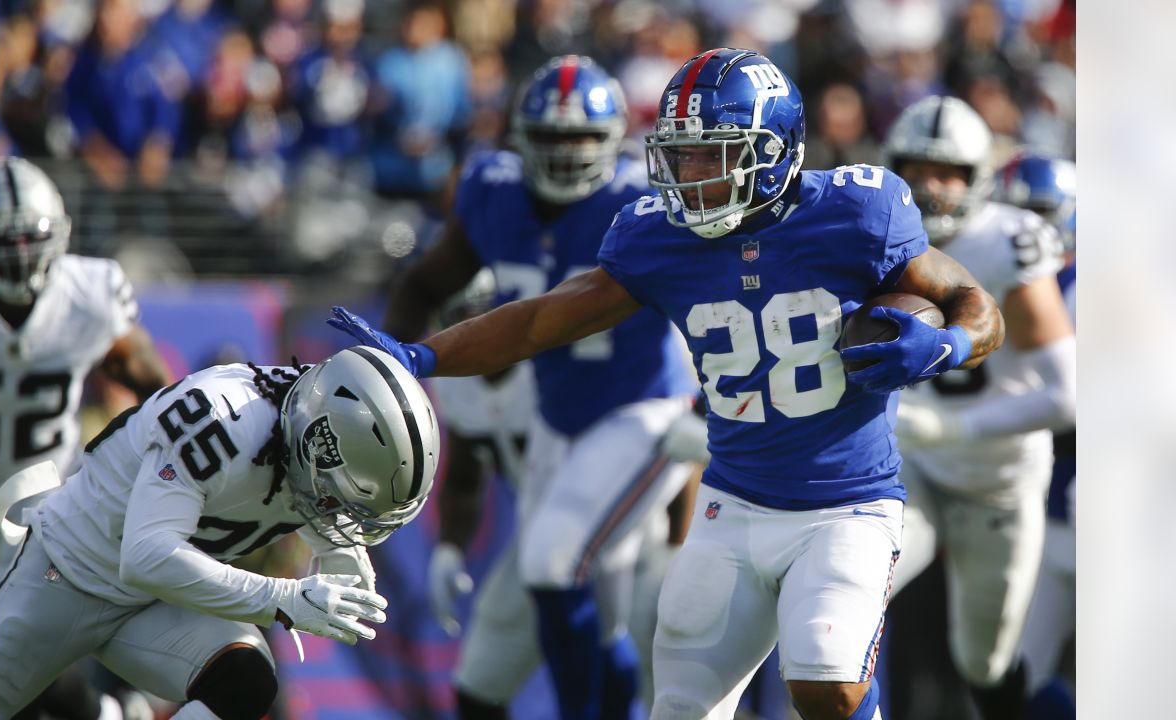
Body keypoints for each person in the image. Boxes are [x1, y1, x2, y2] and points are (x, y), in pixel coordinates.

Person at [328, 48, 1005, 720]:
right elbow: (539, 322)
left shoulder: (857, 215)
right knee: (678, 706)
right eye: (682, 156)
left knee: (826, 683)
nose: (692, 175)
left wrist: (947, 342)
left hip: (847, 505)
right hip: (733, 502)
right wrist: (421, 357)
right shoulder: (660, 238)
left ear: (774, 151)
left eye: (713, 154)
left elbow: (978, 307)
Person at [381, 55, 700, 719]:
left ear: (612, 139)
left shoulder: (639, 201)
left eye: (582, 137)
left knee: (557, 564)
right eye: (552, 138)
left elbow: (714, 301)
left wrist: (710, 412)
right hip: (560, 416)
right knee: (585, 601)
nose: (567, 153)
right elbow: (421, 285)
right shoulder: (492, 193)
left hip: (642, 408)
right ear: (521, 139)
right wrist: (384, 365)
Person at [0, 348, 440, 719]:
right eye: (343, 500)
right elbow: (146, 555)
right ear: (317, 442)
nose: (341, 514)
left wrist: (343, 552)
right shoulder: (222, 418)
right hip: (62, 571)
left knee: (245, 678)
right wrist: (284, 600)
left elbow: (308, 487)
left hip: (152, 604)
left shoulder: (309, 423)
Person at [882, 98, 1076, 720]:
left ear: (979, 179)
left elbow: (1069, 396)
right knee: (852, 590)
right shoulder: (874, 230)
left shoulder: (1007, 241)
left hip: (998, 481)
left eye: (949, 173)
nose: (931, 187)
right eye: (917, 169)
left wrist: (954, 427)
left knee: (983, 662)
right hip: (912, 467)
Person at [0, 156, 172, 720]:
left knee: (10, 661)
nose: (21, 252)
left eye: (32, 237)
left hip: (50, 506)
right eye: (6, 239)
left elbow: (152, 383)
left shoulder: (88, 293)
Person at [995, 153, 1078, 719]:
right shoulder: (989, 279)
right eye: (1016, 211)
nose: (1029, 227)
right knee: (1016, 673)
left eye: (1042, 212)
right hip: (1037, 501)